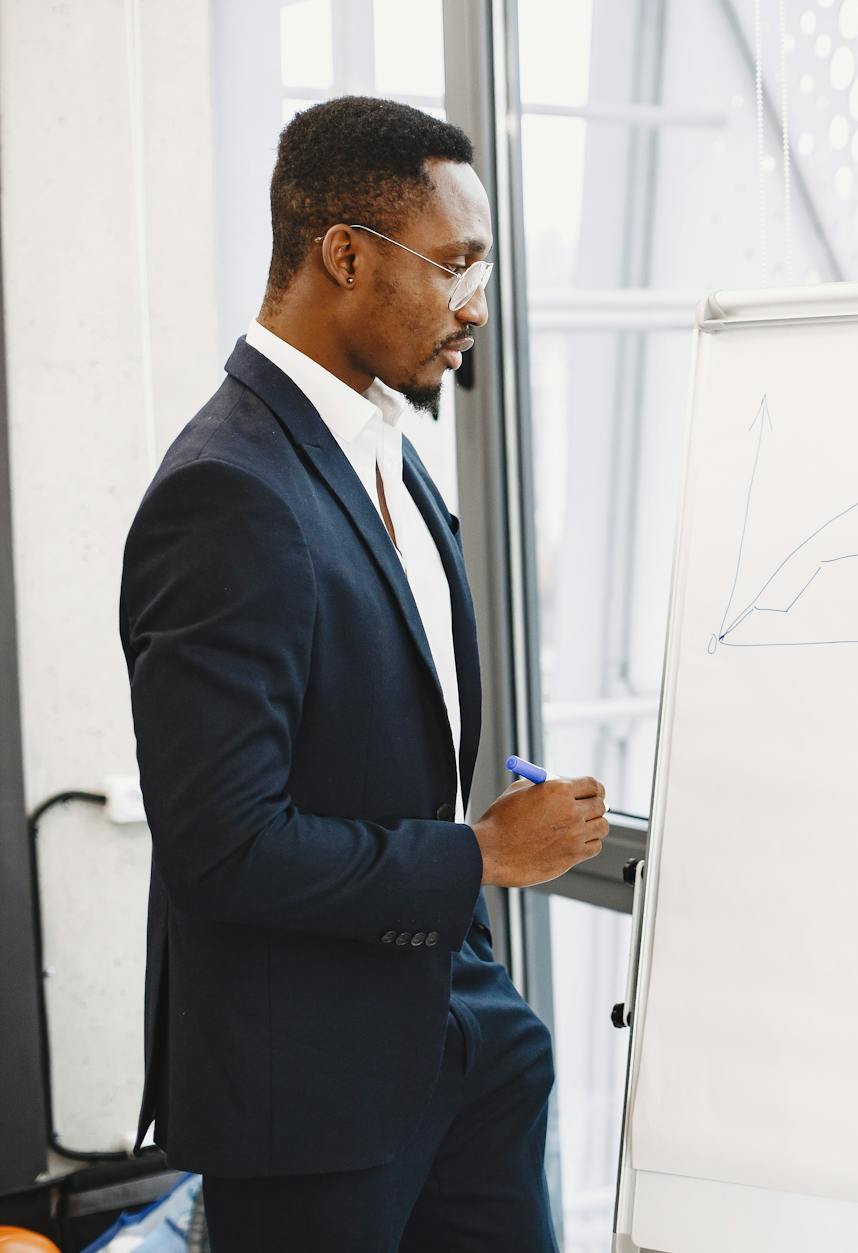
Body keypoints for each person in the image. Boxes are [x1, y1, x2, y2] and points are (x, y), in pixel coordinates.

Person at [118, 95, 604, 1251]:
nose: (475, 305)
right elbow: (221, 843)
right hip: (312, 1102)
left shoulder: (381, 446)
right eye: (454, 267)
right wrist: (480, 854)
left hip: (465, 1046)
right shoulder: (225, 492)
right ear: (343, 254)